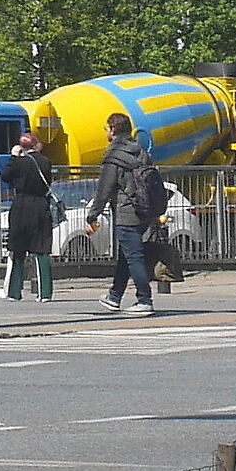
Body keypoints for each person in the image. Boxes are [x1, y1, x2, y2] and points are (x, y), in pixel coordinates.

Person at [84, 112, 157, 319]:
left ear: (113, 130)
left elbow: (104, 189)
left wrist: (93, 216)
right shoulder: (140, 152)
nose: (106, 132)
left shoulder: (113, 156)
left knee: (134, 257)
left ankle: (145, 300)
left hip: (126, 212)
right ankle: (114, 296)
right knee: (127, 255)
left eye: (107, 128)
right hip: (144, 210)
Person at [0, 134, 56, 301]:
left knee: (17, 248)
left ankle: (14, 292)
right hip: (40, 204)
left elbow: (6, 176)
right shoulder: (45, 162)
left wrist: (14, 157)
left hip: (21, 205)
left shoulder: (19, 162)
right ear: (35, 144)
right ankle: (45, 293)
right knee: (41, 249)